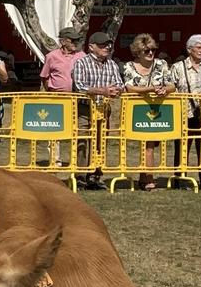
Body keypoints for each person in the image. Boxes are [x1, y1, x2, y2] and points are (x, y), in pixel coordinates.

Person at [169, 34, 201, 188]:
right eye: (198, 48)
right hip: (185, 112)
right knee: (182, 146)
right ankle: (180, 179)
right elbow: (172, 86)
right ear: (189, 49)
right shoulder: (178, 67)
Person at [120, 34, 173, 190]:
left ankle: (145, 178)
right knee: (146, 144)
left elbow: (172, 85)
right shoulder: (129, 66)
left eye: (152, 50)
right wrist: (149, 89)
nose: (150, 53)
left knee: (149, 144)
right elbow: (129, 88)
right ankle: (147, 178)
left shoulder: (161, 64)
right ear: (138, 52)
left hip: (157, 110)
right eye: (146, 51)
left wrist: (165, 90)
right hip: (136, 110)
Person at [71, 31, 122, 189]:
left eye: (107, 44)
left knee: (101, 143)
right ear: (91, 47)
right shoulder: (82, 63)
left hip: (104, 109)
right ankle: (80, 177)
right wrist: (103, 91)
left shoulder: (112, 64)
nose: (106, 47)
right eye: (101, 45)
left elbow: (119, 84)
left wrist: (116, 91)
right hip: (84, 110)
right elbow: (79, 87)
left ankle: (95, 176)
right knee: (82, 142)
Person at [38, 28, 81, 92]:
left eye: (77, 40)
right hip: (58, 97)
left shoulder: (82, 56)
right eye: (73, 40)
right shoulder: (51, 56)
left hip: (77, 96)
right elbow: (45, 77)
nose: (76, 43)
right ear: (63, 42)